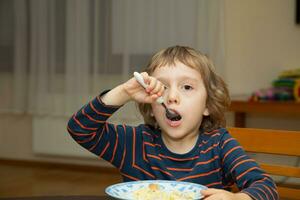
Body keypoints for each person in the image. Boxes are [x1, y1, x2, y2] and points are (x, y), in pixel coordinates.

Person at [67, 46, 278, 199]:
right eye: (163, 87)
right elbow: (80, 129)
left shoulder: (220, 145)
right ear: (151, 104)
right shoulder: (134, 143)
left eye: (186, 87)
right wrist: (123, 92)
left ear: (207, 105)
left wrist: (236, 199)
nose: (172, 97)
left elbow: (265, 186)